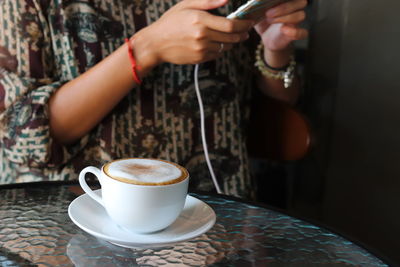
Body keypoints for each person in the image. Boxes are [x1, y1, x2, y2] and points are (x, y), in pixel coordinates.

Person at [0, 0, 308, 199]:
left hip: (213, 211)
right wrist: (147, 48)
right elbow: (22, 135)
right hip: (82, 214)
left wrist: (275, 49)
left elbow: (281, 99)